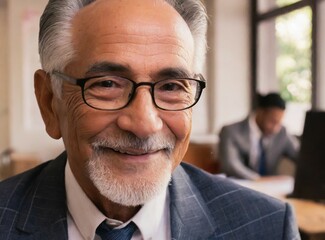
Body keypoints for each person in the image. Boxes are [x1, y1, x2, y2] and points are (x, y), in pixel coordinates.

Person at [0, 1, 300, 239]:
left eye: (172, 86)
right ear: (50, 103)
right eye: (107, 84)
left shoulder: (267, 227)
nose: (144, 124)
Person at [219, 92, 300, 180]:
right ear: (260, 112)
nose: (275, 128)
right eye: (272, 121)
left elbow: (300, 155)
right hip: (241, 185)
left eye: (279, 123)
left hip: (271, 187)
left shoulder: (282, 132)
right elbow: (231, 165)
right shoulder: (230, 131)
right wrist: (257, 179)